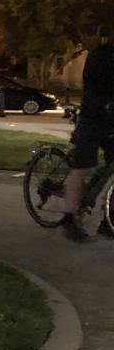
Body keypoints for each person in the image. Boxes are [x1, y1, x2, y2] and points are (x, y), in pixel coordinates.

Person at [62, 43, 114, 242]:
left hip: (111, 122)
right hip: (92, 119)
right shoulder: (102, 55)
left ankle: (108, 221)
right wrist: (106, 105)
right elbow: (92, 87)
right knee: (82, 167)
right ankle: (70, 219)